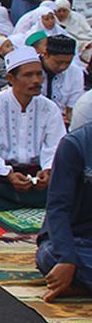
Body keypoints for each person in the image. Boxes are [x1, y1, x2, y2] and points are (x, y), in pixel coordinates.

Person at [0, 47, 65, 210]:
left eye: (39, 74)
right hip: (2, 172)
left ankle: (7, 201)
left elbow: (56, 147)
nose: (36, 81)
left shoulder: (50, 108)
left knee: (71, 174)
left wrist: (47, 170)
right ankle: (39, 200)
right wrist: (8, 174)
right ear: (11, 78)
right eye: (28, 75)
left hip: (35, 173)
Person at [36, 123, 92, 301]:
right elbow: (58, 207)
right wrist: (66, 259)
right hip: (78, 240)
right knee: (50, 255)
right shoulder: (76, 144)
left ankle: (82, 286)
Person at [40, 34, 84, 123]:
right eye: (58, 62)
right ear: (46, 55)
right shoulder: (29, 70)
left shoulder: (75, 72)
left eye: (68, 63)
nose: (63, 67)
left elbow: (72, 109)